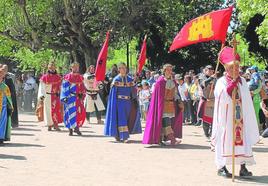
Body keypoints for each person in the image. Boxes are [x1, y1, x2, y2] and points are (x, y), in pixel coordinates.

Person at [211, 47, 259, 178]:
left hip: (241, 117)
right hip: (226, 118)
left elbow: (246, 99)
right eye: (232, 68)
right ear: (226, 69)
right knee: (225, 140)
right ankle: (222, 167)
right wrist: (231, 85)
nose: (236, 70)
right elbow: (221, 96)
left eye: (237, 68)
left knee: (243, 139)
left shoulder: (242, 81)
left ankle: (243, 167)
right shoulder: (221, 81)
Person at [143, 64, 183, 146]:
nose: (169, 71)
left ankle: (160, 139)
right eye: (168, 70)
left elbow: (175, 93)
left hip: (171, 104)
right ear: (164, 71)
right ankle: (172, 139)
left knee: (165, 122)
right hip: (162, 104)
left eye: (170, 70)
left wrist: (179, 101)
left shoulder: (173, 81)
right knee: (166, 121)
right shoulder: (160, 81)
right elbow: (157, 95)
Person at [104, 62, 141, 142]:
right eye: (121, 68)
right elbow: (113, 93)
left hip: (128, 102)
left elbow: (133, 90)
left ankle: (119, 134)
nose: (123, 69)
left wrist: (134, 98)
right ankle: (124, 137)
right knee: (121, 119)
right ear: (119, 70)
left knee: (128, 118)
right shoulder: (116, 79)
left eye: (124, 68)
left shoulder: (130, 79)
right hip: (119, 102)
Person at [60, 62, 86, 136]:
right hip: (70, 98)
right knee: (69, 113)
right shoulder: (67, 77)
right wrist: (64, 97)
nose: (76, 68)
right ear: (71, 68)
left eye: (77, 67)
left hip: (78, 98)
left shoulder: (80, 77)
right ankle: (70, 129)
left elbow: (83, 87)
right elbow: (64, 88)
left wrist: (82, 94)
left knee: (78, 113)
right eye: (74, 67)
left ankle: (76, 128)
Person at [38, 62, 63, 131]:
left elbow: (61, 87)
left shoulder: (58, 77)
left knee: (56, 110)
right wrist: (42, 96)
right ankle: (49, 124)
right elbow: (42, 87)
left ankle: (56, 124)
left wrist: (61, 94)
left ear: (55, 67)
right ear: (48, 67)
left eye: (53, 66)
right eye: (50, 66)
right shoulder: (44, 77)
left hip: (55, 96)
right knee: (48, 111)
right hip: (48, 95)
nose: (52, 67)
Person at [199, 65, 216, 139]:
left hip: (213, 99)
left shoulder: (215, 79)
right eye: (208, 70)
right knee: (205, 118)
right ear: (205, 70)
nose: (210, 71)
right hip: (206, 99)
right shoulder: (201, 77)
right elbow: (203, 84)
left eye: (211, 70)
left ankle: (212, 133)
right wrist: (211, 78)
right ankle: (206, 133)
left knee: (214, 118)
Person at [0, 67, 13, 145]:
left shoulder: (5, 87)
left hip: (3, 108)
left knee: (2, 123)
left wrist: (10, 106)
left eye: (1, 76)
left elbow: (9, 98)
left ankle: (1, 138)